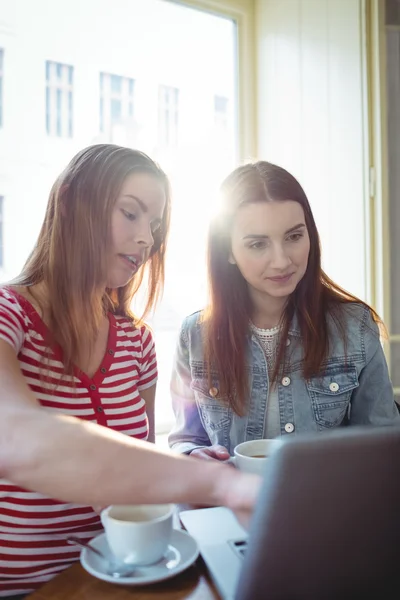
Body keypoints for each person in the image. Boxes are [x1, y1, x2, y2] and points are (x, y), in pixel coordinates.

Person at [0, 145, 260, 599]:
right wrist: (223, 485)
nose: (147, 240)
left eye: (155, 225)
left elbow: (133, 476)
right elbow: (15, 437)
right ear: (69, 202)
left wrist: (180, 466)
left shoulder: (136, 342)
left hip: (120, 580)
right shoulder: (9, 316)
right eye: (131, 213)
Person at [169, 161, 400, 460]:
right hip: (231, 504)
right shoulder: (194, 336)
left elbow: (383, 445)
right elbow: (186, 438)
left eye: (293, 237)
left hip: (330, 504)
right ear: (228, 251)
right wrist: (194, 456)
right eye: (257, 244)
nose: (281, 261)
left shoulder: (355, 328)